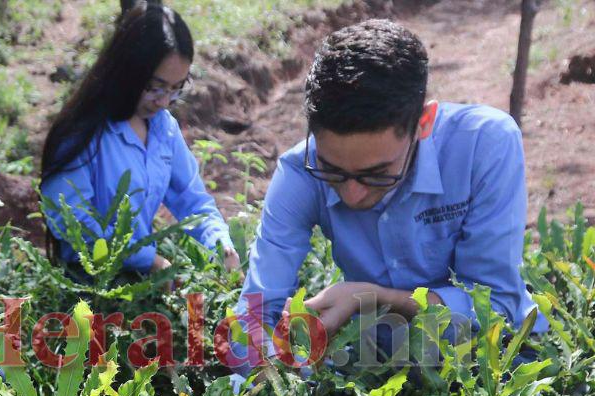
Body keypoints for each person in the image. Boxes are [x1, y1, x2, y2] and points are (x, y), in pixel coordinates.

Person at [233, 19, 545, 371]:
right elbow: (255, 313)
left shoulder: (483, 145)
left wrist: (375, 298)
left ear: (423, 123)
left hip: (495, 358)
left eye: (376, 174)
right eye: (332, 169)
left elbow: (496, 306)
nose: (352, 194)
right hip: (380, 361)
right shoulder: (299, 172)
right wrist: (276, 380)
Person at [40, 1, 240, 281]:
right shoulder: (82, 133)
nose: (164, 101)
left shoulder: (163, 128)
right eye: (154, 87)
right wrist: (149, 260)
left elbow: (192, 200)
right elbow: (74, 227)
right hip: (87, 288)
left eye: (175, 89)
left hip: (142, 282)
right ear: (128, 71)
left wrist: (220, 244)